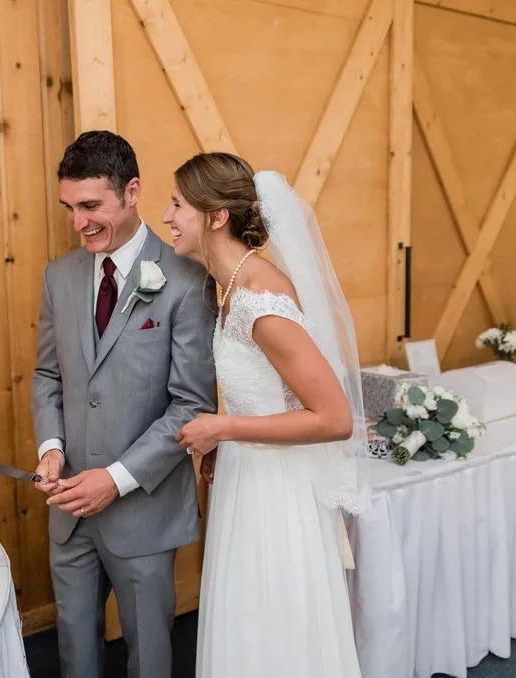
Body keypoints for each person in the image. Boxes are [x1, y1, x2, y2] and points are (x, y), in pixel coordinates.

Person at [166, 153, 369, 677]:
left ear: (216, 217)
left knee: (272, 622)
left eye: (178, 205)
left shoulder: (260, 299)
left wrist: (224, 427)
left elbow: (334, 418)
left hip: (276, 488)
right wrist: (228, 440)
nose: (167, 217)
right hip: (246, 475)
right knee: (246, 621)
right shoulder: (229, 284)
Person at [30, 131, 218, 678]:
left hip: (143, 513)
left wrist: (114, 480)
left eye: (91, 206)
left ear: (132, 191)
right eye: (69, 208)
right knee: (75, 655)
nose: (79, 222)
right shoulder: (59, 276)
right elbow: (48, 374)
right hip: (69, 512)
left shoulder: (187, 280)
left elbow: (191, 406)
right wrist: (50, 446)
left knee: (150, 658)